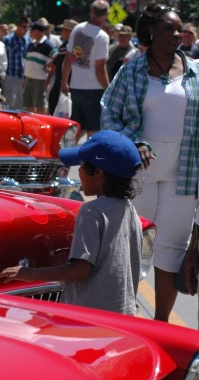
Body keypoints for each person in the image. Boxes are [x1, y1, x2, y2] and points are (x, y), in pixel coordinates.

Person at [100, 2, 199, 323]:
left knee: (170, 250)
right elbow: (109, 114)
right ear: (151, 33)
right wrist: (133, 143)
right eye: (169, 29)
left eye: (180, 29)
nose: (177, 34)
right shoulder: (131, 70)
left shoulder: (197, 72)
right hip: (139, 172)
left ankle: (161, 324)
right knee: (131, 246)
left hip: (182, 176)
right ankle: (126, 317)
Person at [0, 130, 143, 316]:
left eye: (82, 166)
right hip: (123, 317)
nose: (79, 172)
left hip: (88, 320)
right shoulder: (129, 210)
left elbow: (79, 271)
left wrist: (27, 273)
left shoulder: (91, 211)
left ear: (98, 172)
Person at [61, 0, 110, 140]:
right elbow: (100, 68)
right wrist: (108, 89)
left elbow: (69, 57)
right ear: (106, 15)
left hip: (76, 86)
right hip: (94, 89)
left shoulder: (78, 29)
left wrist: (64, 81)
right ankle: (90, 160)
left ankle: (66, 154)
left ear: (91, 12)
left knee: (77, 126)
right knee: (94, 128)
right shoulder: (102, 36)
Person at [23, 19, 56, 114]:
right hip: (28, 78)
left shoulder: (47, 44)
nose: (31, 33)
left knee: (40, 105)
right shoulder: (31, 44)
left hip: (40, 79)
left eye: (33, 31)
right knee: (28, 103)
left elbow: (56, 57)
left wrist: (49, 74)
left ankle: (41, 124)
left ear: (38, 32)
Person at [47, 19, 78, 115]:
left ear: (69, 32)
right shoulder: (63, 45)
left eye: (63, 30)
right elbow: (57, 64)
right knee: (54, 107)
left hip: (67, 86)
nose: (61, 32)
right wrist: (49, 77)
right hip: (58, 83)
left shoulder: (75, 47)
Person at [3, 16, 31, 109]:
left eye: (27, 27)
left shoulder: (25, 40)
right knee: (8, 102)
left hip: (21, 76)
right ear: (18, 26)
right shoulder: (8, 39)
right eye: (24, 27)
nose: (26, 30)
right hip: (10, 75)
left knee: (20, 104)